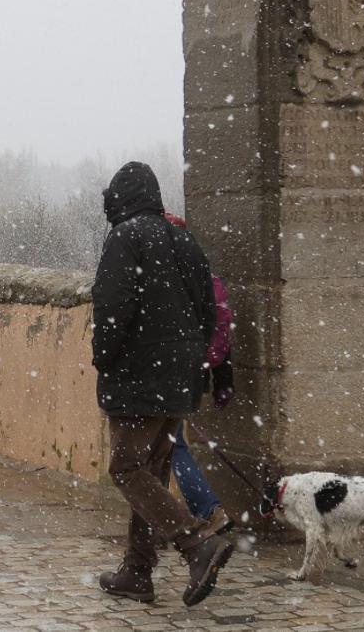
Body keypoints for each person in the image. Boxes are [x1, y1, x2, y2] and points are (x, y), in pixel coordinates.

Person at [92, 161, 234, 607]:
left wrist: (104, 358)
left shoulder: (125, 237)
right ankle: (137, 571)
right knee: (152, 469)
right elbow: (208, 309)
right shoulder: (182, 238)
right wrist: (191, 357)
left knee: (127, 468)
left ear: (120, 198)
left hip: (139, 374)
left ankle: (196, 542)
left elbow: (112, 309)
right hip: (181, 375)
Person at [164, 213, 235, 535]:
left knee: (170, 446)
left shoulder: (170, 281)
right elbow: (220, 332)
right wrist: (223, 381)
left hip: (167, 375)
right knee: (166, 446)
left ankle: (207, 511)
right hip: (195, 375)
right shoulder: (205, 277)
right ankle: (165, 520)